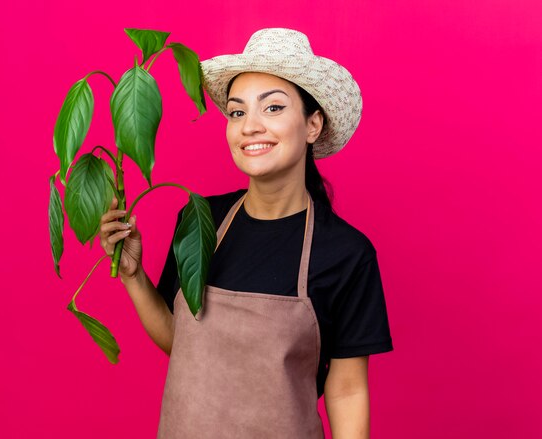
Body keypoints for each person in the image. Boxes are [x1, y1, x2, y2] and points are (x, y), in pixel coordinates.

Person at [99, 28, 393, 439]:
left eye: (272, 108)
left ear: (312, 125)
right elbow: (183, 345)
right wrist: (133, 277)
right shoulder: (200, 219)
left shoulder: (346, 253)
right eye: (237, 112)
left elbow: (345, 391)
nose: (250, 126)